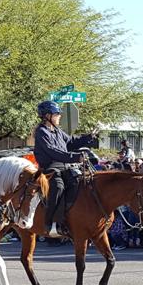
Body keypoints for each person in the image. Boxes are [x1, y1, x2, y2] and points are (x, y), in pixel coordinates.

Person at [33, 100, 96, 237]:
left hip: (66, 167)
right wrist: (75, 157)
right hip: (50, 169)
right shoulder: (41, 132)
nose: (59, 116)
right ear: (47, 116)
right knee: (58, 187)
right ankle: (50, 222)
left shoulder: (57, 131)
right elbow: (53, 152)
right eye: (56, 114)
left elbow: (71, 142)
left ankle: (72, 219)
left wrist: (88, 137)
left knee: (80, 183)